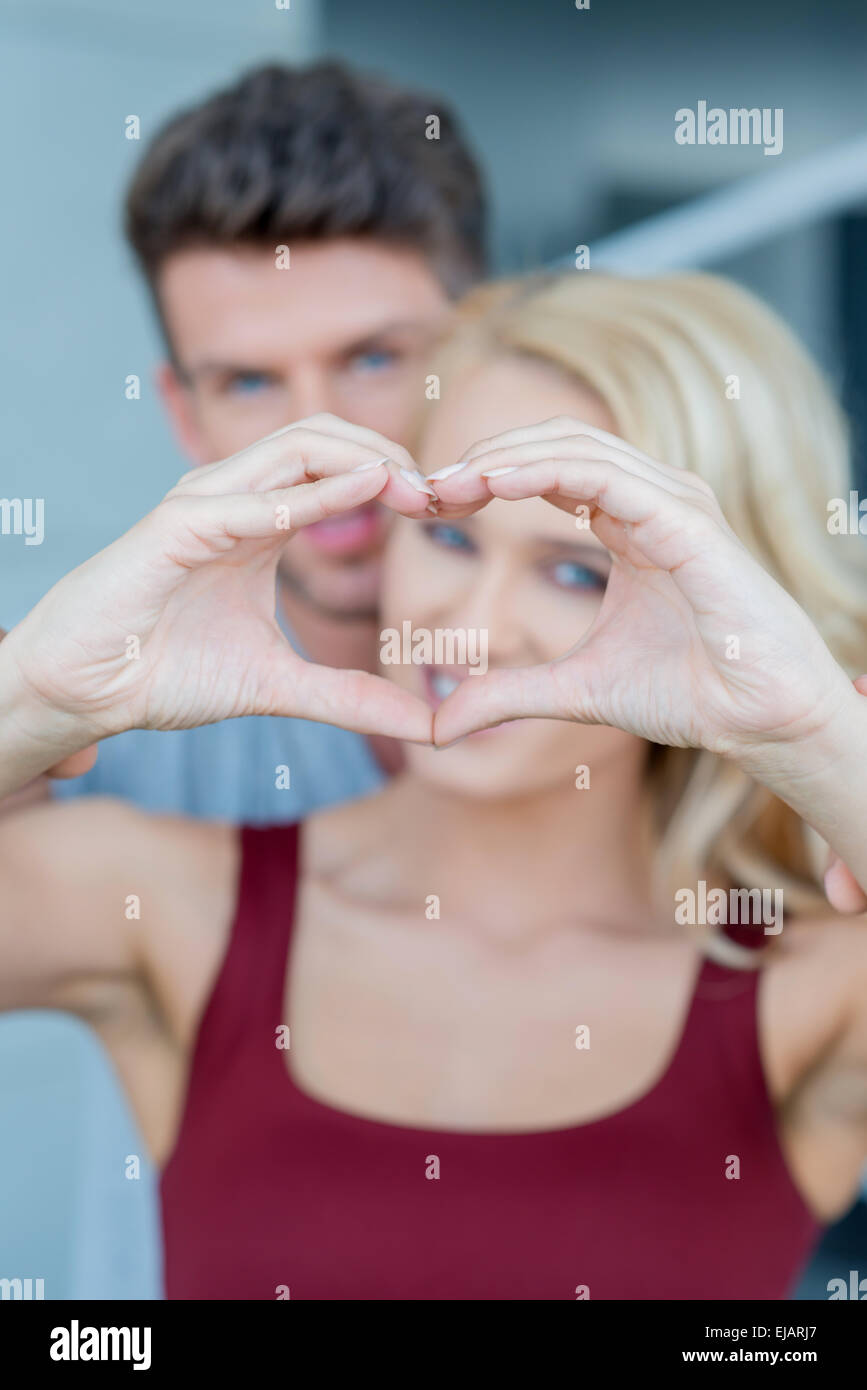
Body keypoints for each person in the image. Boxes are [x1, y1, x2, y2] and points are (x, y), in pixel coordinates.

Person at [2, 270, 867, 1299]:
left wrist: (815, 733)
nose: (475, 623)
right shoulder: (167, 903)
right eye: (451, 536)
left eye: (577, 569)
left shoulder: (815, 985)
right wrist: (35, 692)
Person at [38, 59, 487, 822]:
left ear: (487, 350)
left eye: (374, 358)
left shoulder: (649, 669)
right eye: (248, 383)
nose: (323, 443)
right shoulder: (95, 732)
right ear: (186, 416)